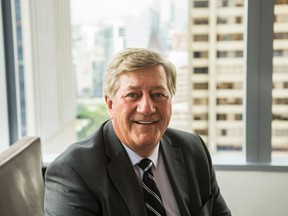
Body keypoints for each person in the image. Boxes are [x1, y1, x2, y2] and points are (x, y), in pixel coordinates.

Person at [44, 48, 231, 216]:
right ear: (110, 105)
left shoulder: (193, 149)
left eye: (158, 94)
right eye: (132, 95)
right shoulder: (73, 172)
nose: (147, 108)